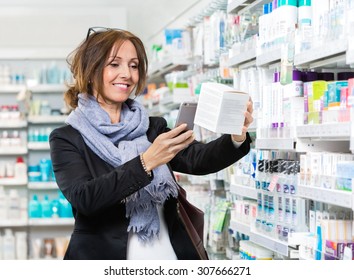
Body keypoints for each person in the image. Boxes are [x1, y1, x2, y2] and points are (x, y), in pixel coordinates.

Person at [49, 27, 254, 260]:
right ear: (90, 69)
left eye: (134, 65)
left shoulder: (151, 127)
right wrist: (146, 162)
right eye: (114, 64)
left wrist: (236, 136)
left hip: (167, 255)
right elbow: (85, 198)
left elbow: (198, 159)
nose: (127, 74)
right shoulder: (67, 137)